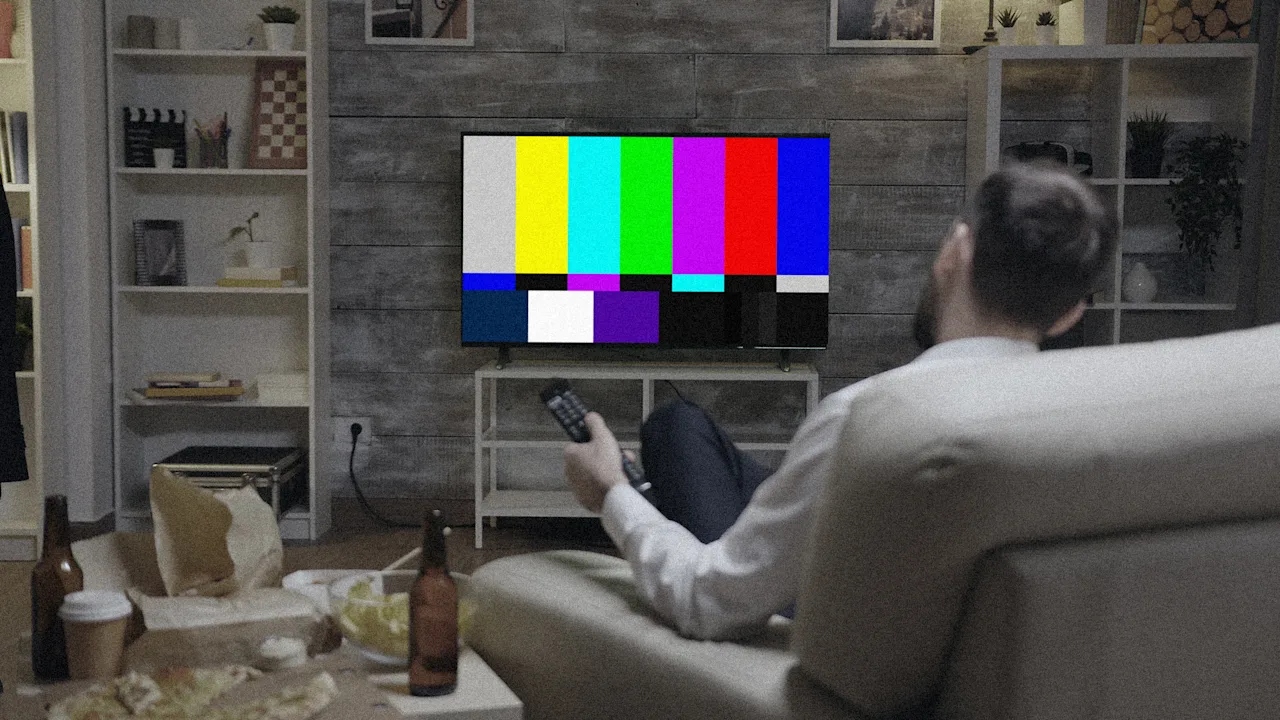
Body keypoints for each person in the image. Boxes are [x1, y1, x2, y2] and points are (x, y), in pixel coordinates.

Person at [561, 162, 1118, 640]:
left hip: (786, 624)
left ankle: (663, 512)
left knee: (659, 468)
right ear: (1070, 312)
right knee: (677, 425)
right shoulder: (1095, 427)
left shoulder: (866, 419)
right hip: (904, 583)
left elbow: (704, 601)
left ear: (955, 250)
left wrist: (611, 493)